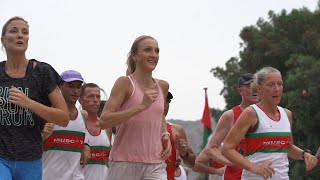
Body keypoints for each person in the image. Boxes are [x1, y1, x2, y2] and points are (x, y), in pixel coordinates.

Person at [0, 16, 69, 180]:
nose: (20, 35)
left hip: (31, 158)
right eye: (14, 31)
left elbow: (63, 117)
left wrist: (29, 103)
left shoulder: (43, 72)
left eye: (25, 32)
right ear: (3, 39)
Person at [222, 67, 318, 179]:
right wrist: (254, 167)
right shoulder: (251, 113)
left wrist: (304, 154)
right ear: (259, 89)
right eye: (271, 84)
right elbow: (227, 149)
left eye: (280, 84)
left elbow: (287, 147)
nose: (276, 89)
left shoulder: (287, 114)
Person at [100, 35, 171, 180]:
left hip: (156, 163)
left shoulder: (163, 86)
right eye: (148, 50)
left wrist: (165, 135)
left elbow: (160, 116)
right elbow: (104, 121)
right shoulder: (124, 83)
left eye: (157, 51)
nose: (154, 55)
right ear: (135, 55)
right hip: (124, 162)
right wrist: (141, 107)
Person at [193, 73, 259, 180]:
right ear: (240, 90)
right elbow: (210, 148)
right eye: (249, 86)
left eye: (256, 85)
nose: (254, 89)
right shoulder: (230, 115)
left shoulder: (267, 114)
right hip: (235, 177)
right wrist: (229, 162)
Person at [42, 70, 91, 180]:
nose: (75, 91)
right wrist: (42, 136)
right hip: (49, 176)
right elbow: (31, 146)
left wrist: (86, 146)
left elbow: (82, 141)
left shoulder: (83, 116)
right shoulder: (48, 112)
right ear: (60, 86)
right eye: (71, 86)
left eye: (78, 87)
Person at [79, 83, 111, 180]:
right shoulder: (77, 125)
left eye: (98, 96)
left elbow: (108, 158)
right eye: (91, 97)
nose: (96, 100)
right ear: (80, 101)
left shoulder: (106, 127)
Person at [164, 92, 196, 180]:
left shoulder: (176, 130)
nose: (165, 105)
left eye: (167, 101)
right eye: (161, 100)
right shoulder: (140, 128)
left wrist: (185, 154)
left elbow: (192, 163)